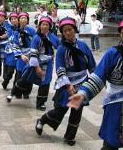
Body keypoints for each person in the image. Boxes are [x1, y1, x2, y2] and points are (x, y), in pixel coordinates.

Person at [68, 16, 123, 150]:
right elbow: (98, 77)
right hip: (115, 106)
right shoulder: (112, 54)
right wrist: (82, 93)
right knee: (110, 143)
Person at [35, 17, 96, 146]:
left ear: (75, 30)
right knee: (60, 111)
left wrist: (97, 79)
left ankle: (69, 137)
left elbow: (91, 64)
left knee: (76, 112)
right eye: (65, 31)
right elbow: (60, 69)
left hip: (82, 85)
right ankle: (42, 120)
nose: (68, 33)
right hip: (66, 85)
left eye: (70, 30)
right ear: (62, 33)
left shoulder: (83, 45)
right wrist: (68, 85)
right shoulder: (62, 49)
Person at [30, 16, 60, 110]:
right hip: (37, 63)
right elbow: (33, 53)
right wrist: (37, 67)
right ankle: (21, 91)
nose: (44, 26)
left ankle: (41, 102)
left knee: (46, 82)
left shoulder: (53, 38)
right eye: (43, 24)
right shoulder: (36, 38)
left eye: (46, 24)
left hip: (49, 64)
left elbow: (60, 48)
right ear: (39, 26)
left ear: (50, 26)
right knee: (28, 79)